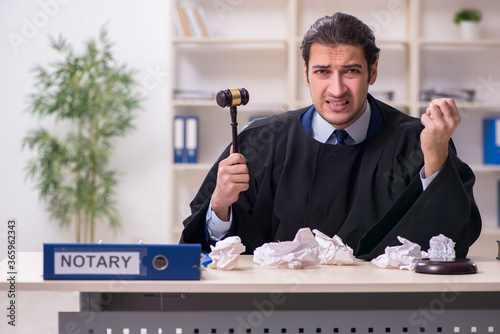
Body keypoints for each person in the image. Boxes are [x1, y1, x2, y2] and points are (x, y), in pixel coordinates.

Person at [180, 12, 481, 260]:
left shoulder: (419, 141)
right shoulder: (260, 142)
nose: (337, 90)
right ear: (306, 73)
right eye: (323, 71)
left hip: (385, 308)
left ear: (372, 72)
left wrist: (435, 162)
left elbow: (452, 243)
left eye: (351, 71)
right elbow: (208, 250)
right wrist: (219, 205)